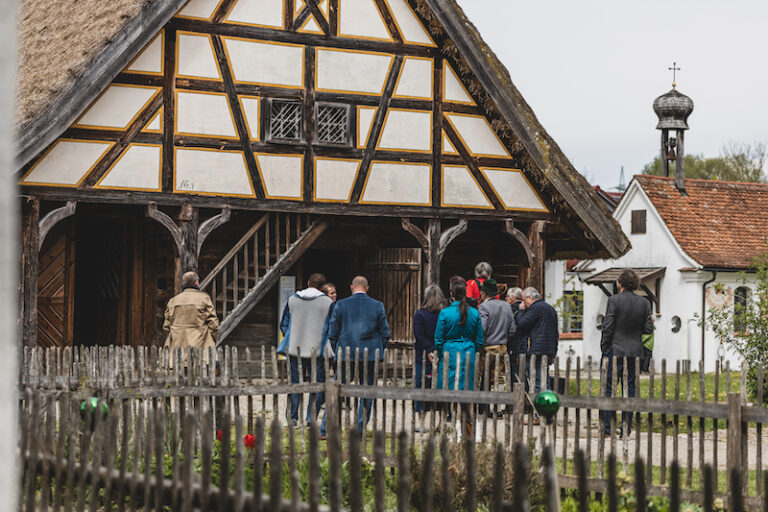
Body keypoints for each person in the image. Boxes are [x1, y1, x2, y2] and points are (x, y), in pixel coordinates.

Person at [327, 276, 391, 433]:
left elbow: (333, 333)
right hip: (370, 354)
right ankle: (360, 427)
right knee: (367, 391)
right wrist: (377, 349)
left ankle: (327, 427)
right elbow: (385, 333)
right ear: (367, 288)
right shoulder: (377, 305)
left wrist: (337, 350)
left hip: (345, 353)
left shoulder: (341, 304)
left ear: (351, 287)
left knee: (337, 389)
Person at [601, 269, 654, 437]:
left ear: (619, 283)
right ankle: (626, 428)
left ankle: (608, 428)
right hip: (635, 351)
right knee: (630, 389)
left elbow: (608, 326)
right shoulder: (644, 303)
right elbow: (648, 329)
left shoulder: (614, 300)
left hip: (615, 349)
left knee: (610, 388)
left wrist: (605, 347)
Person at [432, 279, 484, 438]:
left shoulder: (445, 313)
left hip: (450, 353)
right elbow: (480, 340)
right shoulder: (474, 313)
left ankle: (446, 427)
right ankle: (468, 430)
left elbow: (438, 339)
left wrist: (442, 352)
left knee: (447, 390)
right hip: (468, 353)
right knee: (467, 391)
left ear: (451, 294)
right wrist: (471, 348)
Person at [286, 273, 333, 429]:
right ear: (323, 287)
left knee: (295, 384)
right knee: (317, 385)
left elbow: (284, 322)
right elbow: (332, 326)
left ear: (308, 283)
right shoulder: (327, 303)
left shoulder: (293, 299)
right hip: (317, 350)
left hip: (296, 348)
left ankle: (293, 419)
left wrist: (292, 338)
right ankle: (310, 419)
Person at [413, 285, 447, 431]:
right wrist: (436, 350)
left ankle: (421, 423)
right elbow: (445, 335)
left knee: (421, 387)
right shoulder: (444, 315)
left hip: (423, 356)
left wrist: (429, 350)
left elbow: (419, 335)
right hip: (441, 356)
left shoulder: (419, 315)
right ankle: (441, 422)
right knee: (441, 388)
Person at [163, 271, 219, 356]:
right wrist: (210, 339)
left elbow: (166, 326)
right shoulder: (204, 299)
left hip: (178, 349)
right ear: (196, 282)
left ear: (183, 283)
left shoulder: (173, 301)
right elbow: (213, 324)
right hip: (201, 347)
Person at [477, 279, 516, 400]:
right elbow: (512, 329)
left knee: (482, 376)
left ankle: (482, 404)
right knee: (497, 378)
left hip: (487, 347)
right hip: (502, 347)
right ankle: (496, 406)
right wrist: (504, 339)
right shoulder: (506, 306)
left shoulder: (483, 307)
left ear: (484, 293)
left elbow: (482, 328)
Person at [516, 287, 559, 395]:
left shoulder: (535, 308)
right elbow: (555, 333)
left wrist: (521, 311)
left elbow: (522, 324)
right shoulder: (550, 309)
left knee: (537, 381)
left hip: (536, 350)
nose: (523, 303)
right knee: (545, 380)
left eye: (524, 300)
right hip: (548, 349)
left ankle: (538, 404)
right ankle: (548, 402)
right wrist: (554, 352)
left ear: (530, 298)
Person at [506, 287, 525, 383]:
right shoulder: (526, 308)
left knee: (513, 369)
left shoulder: (510, 309)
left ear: (513, 298)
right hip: (524, 342)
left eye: (507, 296)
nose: (506, 299)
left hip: (513, 343)